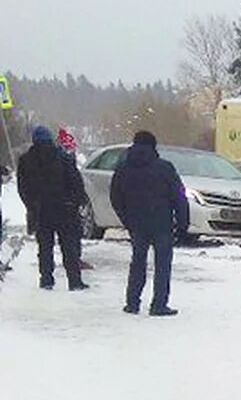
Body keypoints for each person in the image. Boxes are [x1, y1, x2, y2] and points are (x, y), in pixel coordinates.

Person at [110, 131, 188, 317]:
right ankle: (159, 304)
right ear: (154, 146)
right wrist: (182, 224)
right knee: (162, 265)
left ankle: (132, 302)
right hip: (162, 223)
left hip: (136, 224)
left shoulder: (123, 168)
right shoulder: (165, 168)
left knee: (137, 262)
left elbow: (115, 197)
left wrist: (126, 219)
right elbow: (179, 197)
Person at [16, 126, 88, 290]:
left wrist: (31, 205)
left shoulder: (25, 160)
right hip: (64, 209)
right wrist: (76, 202)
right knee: (69, 245)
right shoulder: (62, 157)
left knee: (45, 246)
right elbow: (75, 182)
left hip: (40, 210)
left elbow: (23, 187)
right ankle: (74, 280)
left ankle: (46, 279)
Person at [57, 127, 94, 271]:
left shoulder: (65, 162)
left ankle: (73, 260)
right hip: (67, 204)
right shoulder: (65, 163)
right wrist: (77, 198)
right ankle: (73, 262)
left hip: (66, 202)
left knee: (71, 234)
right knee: (70, 234)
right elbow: (74, 182)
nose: (71, 151)